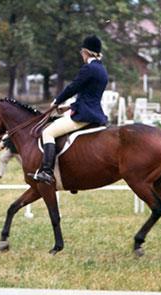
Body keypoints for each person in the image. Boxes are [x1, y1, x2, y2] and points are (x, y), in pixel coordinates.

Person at [32, 35, 109, 185]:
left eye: (82, 52)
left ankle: (46, 171)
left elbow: (73, 87)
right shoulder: (102, 69)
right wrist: (69, 106)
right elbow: (90, 96)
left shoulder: (89, 68)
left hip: (84, 115)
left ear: (86, 52)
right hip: (94, 112)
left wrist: (56, 101)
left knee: (47, 132)